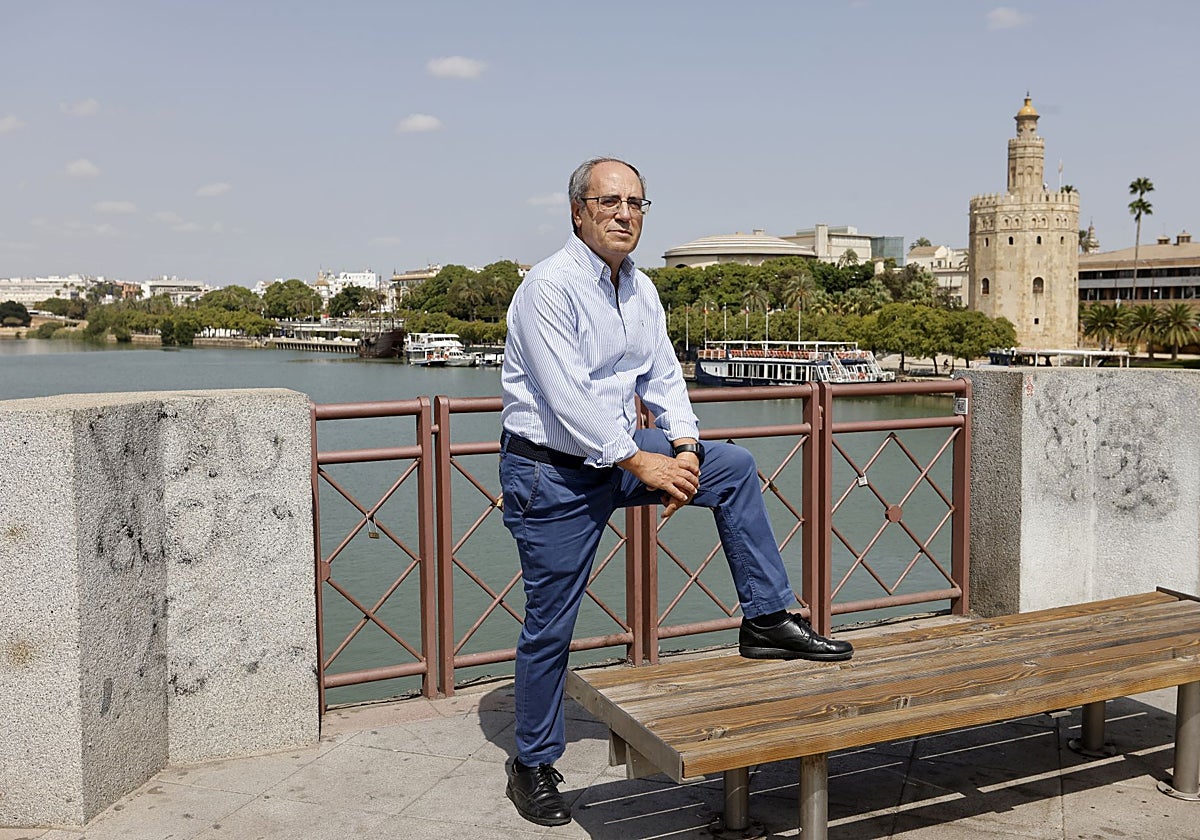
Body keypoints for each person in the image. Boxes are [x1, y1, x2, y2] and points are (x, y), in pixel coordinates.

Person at [498, 157, 852, 827]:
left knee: (731, 467)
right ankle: (533, 762)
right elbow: (567, 397)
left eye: (635, 203)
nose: (624, 214)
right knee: (551, 623)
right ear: (577, 212)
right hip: (554, 470)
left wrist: (685, 448)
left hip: (623, 456)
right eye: (609, 202)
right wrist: (643, 462)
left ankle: (765, 619)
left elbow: (663, 375)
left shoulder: (641, 288)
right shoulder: (548, 288)